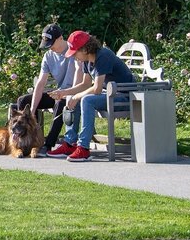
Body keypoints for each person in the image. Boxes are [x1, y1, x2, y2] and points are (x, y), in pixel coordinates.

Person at [46, 30, 134, 162]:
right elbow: (85, 84)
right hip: (110, 95)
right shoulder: (86, 61)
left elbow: (97, 89)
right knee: (75, 98)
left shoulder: (103, 56)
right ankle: (70, 143)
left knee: (86, 99)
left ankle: (83, 148)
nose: (74, 56)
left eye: (75, 52)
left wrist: (77, 97)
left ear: (85, 49)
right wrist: (64, 93)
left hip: (124, 97)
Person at [13, 23, 82, 153]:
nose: (50, 48)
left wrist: (65, 93)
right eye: (47, 44)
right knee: (24, 101)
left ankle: (48, 144)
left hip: (72, 93)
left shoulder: (74, 51)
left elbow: (80, 80)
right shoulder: (48, 56)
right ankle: (31, 139)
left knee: (60, 103)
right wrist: (31, 111)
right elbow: (40, 83)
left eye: (52, 43)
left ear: (61, 38)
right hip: (59, 92)